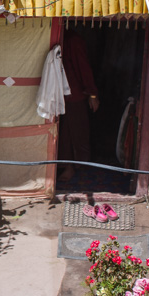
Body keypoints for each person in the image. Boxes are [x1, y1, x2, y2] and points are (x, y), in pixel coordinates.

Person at [58, 29, 99, 182]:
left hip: (72, 93)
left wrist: (92, 93)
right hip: (59, 93)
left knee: (73, 130)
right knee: (65, 130)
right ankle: (67, 166)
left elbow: (83, 67)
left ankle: (72, 166)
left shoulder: (73, 40)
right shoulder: (57, 36)